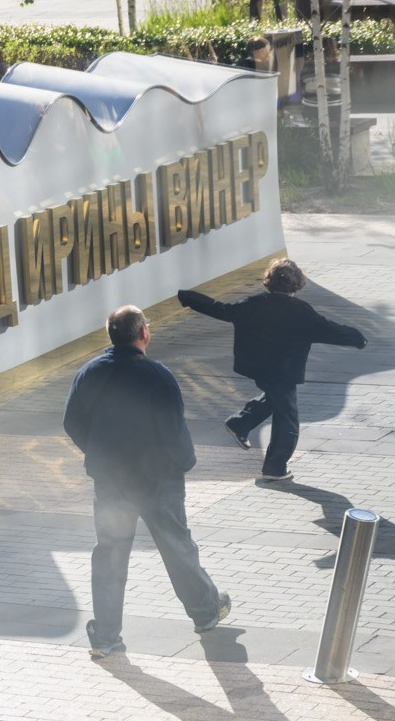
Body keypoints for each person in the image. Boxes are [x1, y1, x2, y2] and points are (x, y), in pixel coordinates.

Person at [62, 305, 231, 659]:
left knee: (110, 554)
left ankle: (106, 636)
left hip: (110, 481)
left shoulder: (89, 373)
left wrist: (97, 451)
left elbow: (72, 422)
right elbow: (174, 429)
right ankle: (205, 612)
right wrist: (186, 462)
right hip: (157, 480)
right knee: (176, 546)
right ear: (143, 333)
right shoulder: (158, 376)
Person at [175, 258, 366, 485]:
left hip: (258, 368)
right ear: (297, 284)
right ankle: (274, 467)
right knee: (287, 418)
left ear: (269, 280)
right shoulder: (301, 311)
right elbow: (329, 329)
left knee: (275, 400)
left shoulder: (254, 303)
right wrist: (357, 338)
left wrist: (188, 297)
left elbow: (222, 310)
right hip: (283, 372)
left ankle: (240, 423)